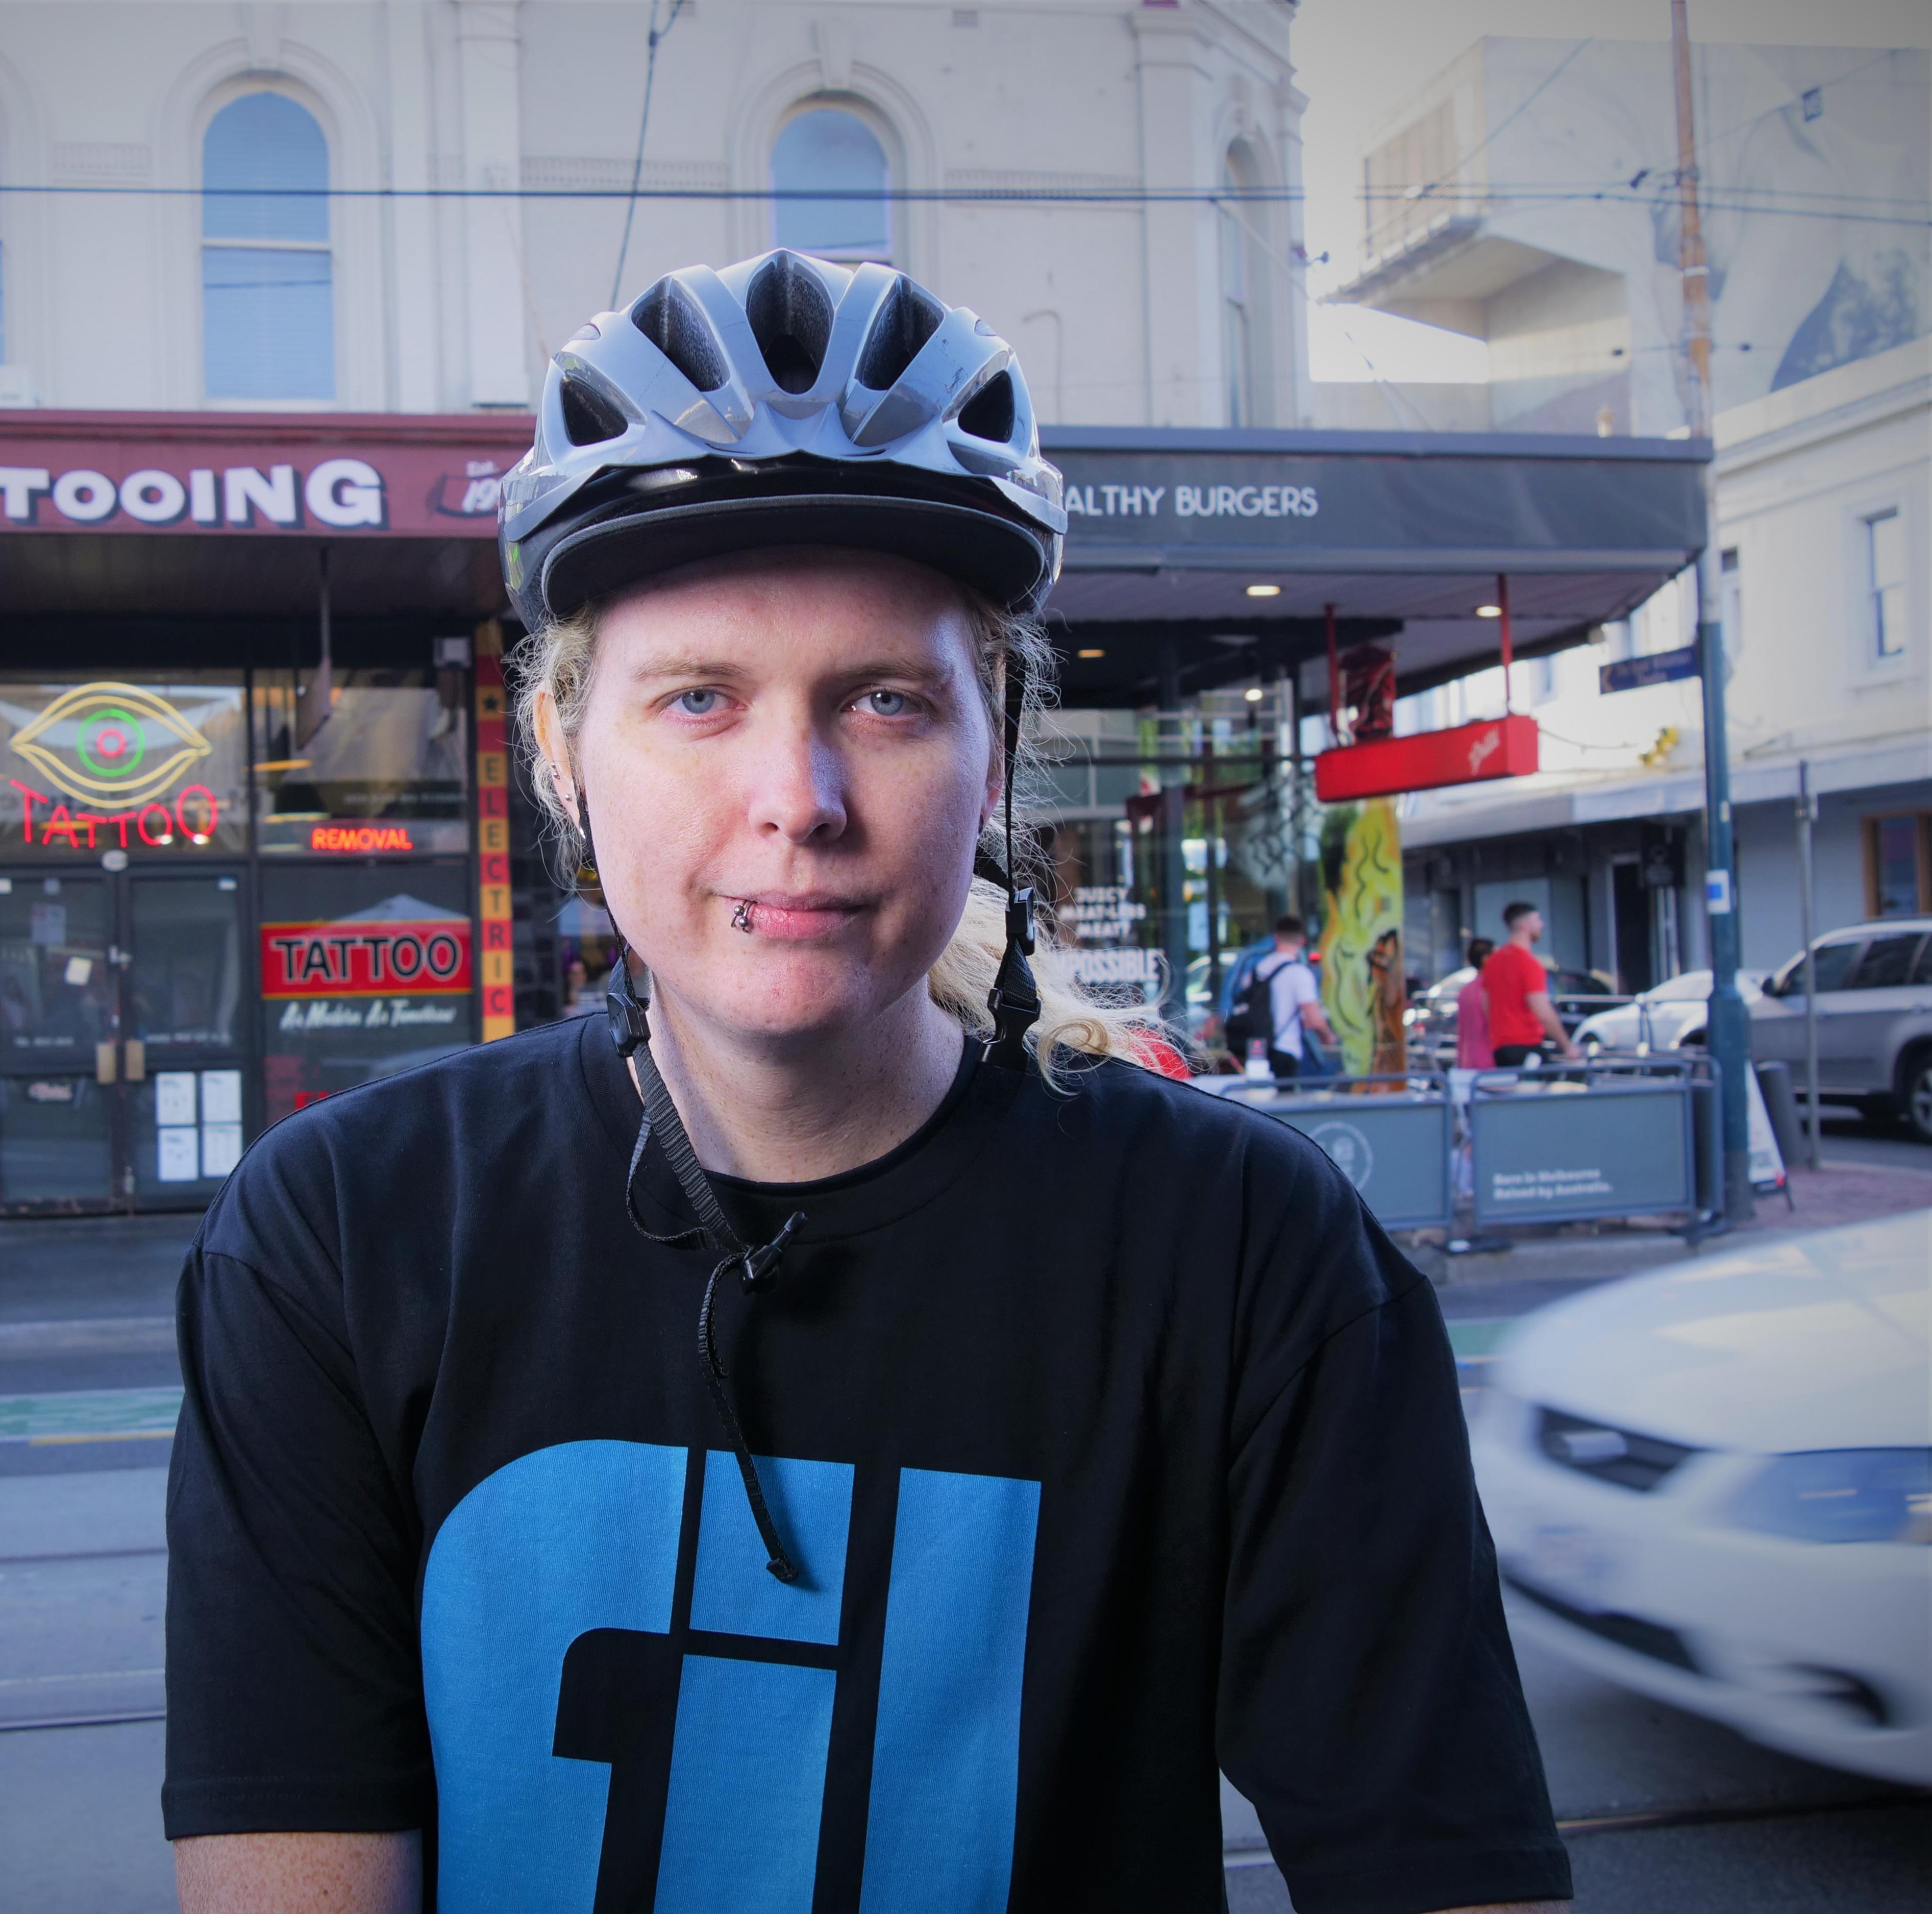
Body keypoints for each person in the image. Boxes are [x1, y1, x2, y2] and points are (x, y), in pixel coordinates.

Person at [164, 252, 1570, 1913]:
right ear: (561, 751)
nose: (800, 797)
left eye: (888, 700)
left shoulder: (1251, 1256)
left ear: (997, 755)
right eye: (698, 698)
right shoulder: (345, 1235)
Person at [1481, 903, 1573, 1069]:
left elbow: (1486, 1005)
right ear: (1525, 925)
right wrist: (1567, 1046)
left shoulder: (1493, 963)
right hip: (1527, 1045)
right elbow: (1542, 1010)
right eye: (1537, 919)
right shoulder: (1529, 964)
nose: (1542, 925)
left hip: (1500, 1049)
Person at [1251, 913, 1335, 1082]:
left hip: (1258, 1049)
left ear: (1276, 938)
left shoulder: (1259, 968)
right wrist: (1328, 1036)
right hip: (1286, 1049)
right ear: (1302, 941)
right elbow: (1314, 1018)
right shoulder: (1300, 974)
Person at [1455, 937, 1497, 1071]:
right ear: (1486, 959)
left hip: (1468, 1061)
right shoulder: (1491, 989)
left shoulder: (1465, 991)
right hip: (1489, 1061)